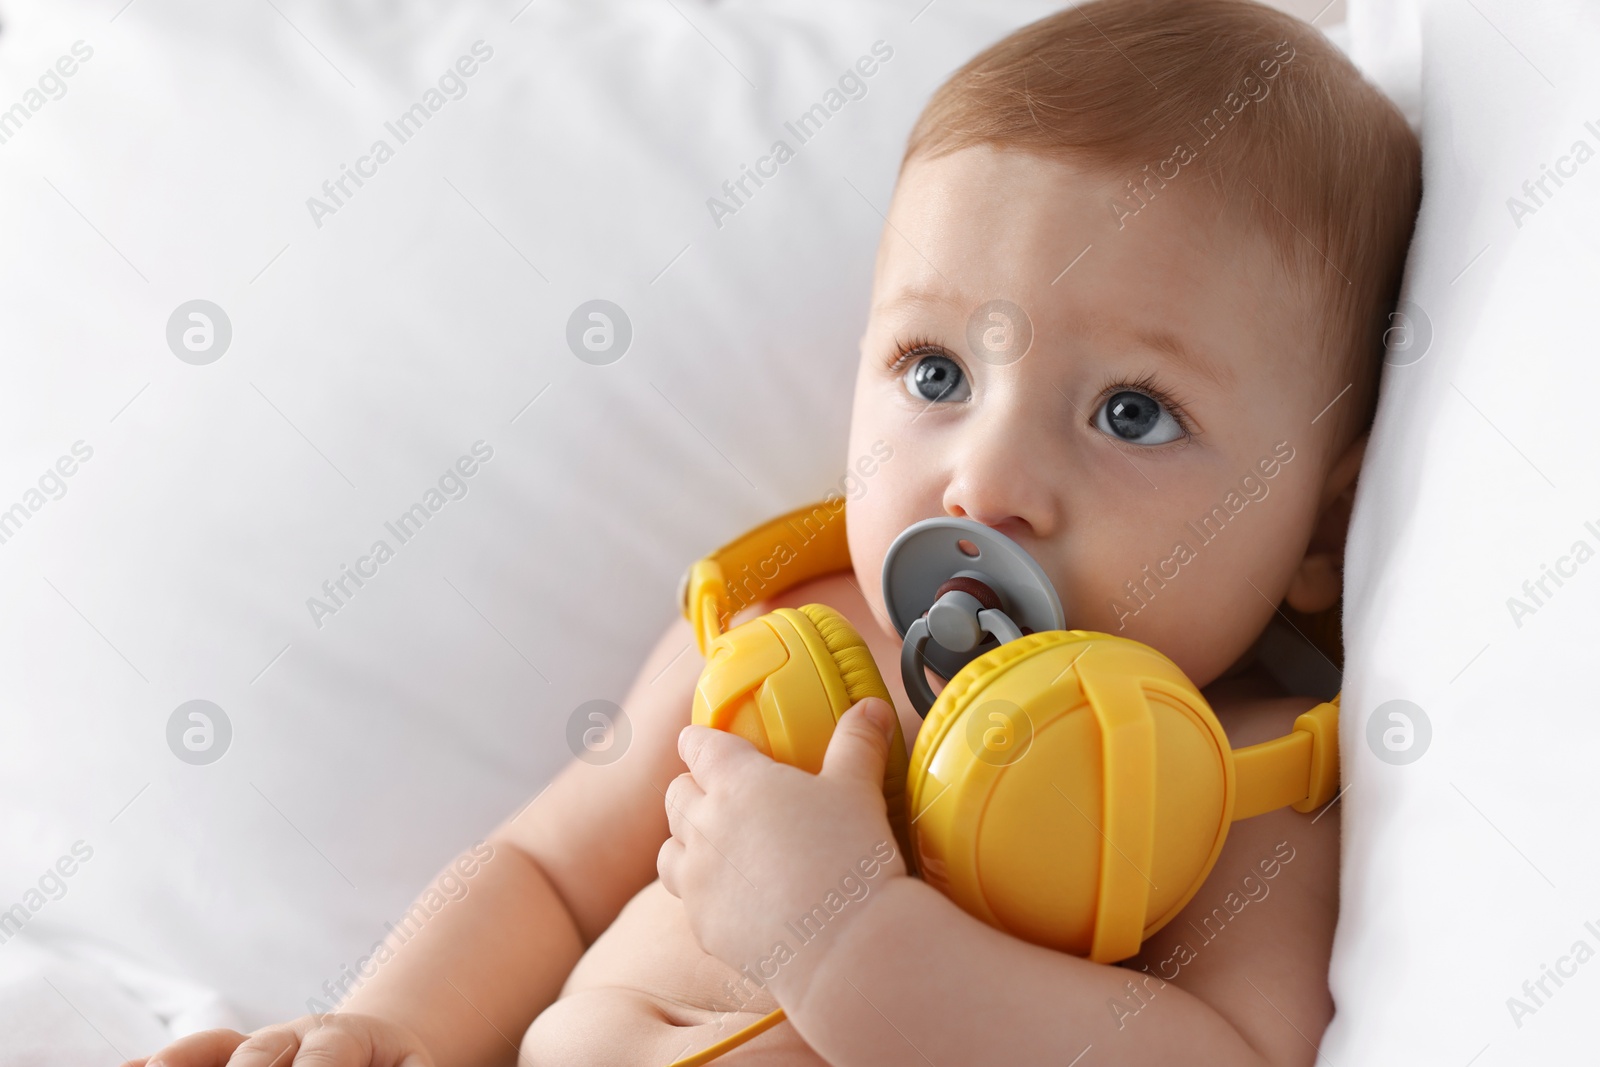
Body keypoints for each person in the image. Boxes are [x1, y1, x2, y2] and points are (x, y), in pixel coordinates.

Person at [128, 0, 1420, 1063]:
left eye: (1132, 411)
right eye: (934, 373)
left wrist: (846, 941)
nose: (987, 483)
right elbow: (547, 873)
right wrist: (387, 1030)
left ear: (1323, 525)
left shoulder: (1235, 788)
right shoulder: (783, 643)